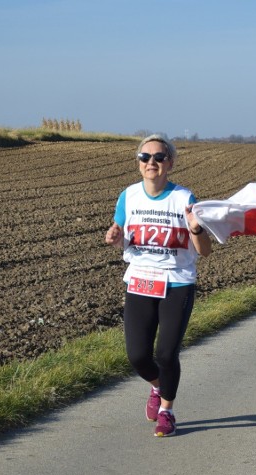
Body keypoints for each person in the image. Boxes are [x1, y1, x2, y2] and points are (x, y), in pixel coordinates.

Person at [104, 134, 213, 437]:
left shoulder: (184, 198)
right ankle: (157, 386)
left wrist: (195, 228)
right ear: (139, 163)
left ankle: (167, 411)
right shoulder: (128, 196)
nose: (151, 162)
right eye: (145, 157)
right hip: (140, 281)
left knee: (166, 354)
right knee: (138, 356)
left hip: (177, 283)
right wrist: (116, 238)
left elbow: (204, 250)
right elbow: (122, 235)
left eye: (159, 157)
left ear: (170, 163)